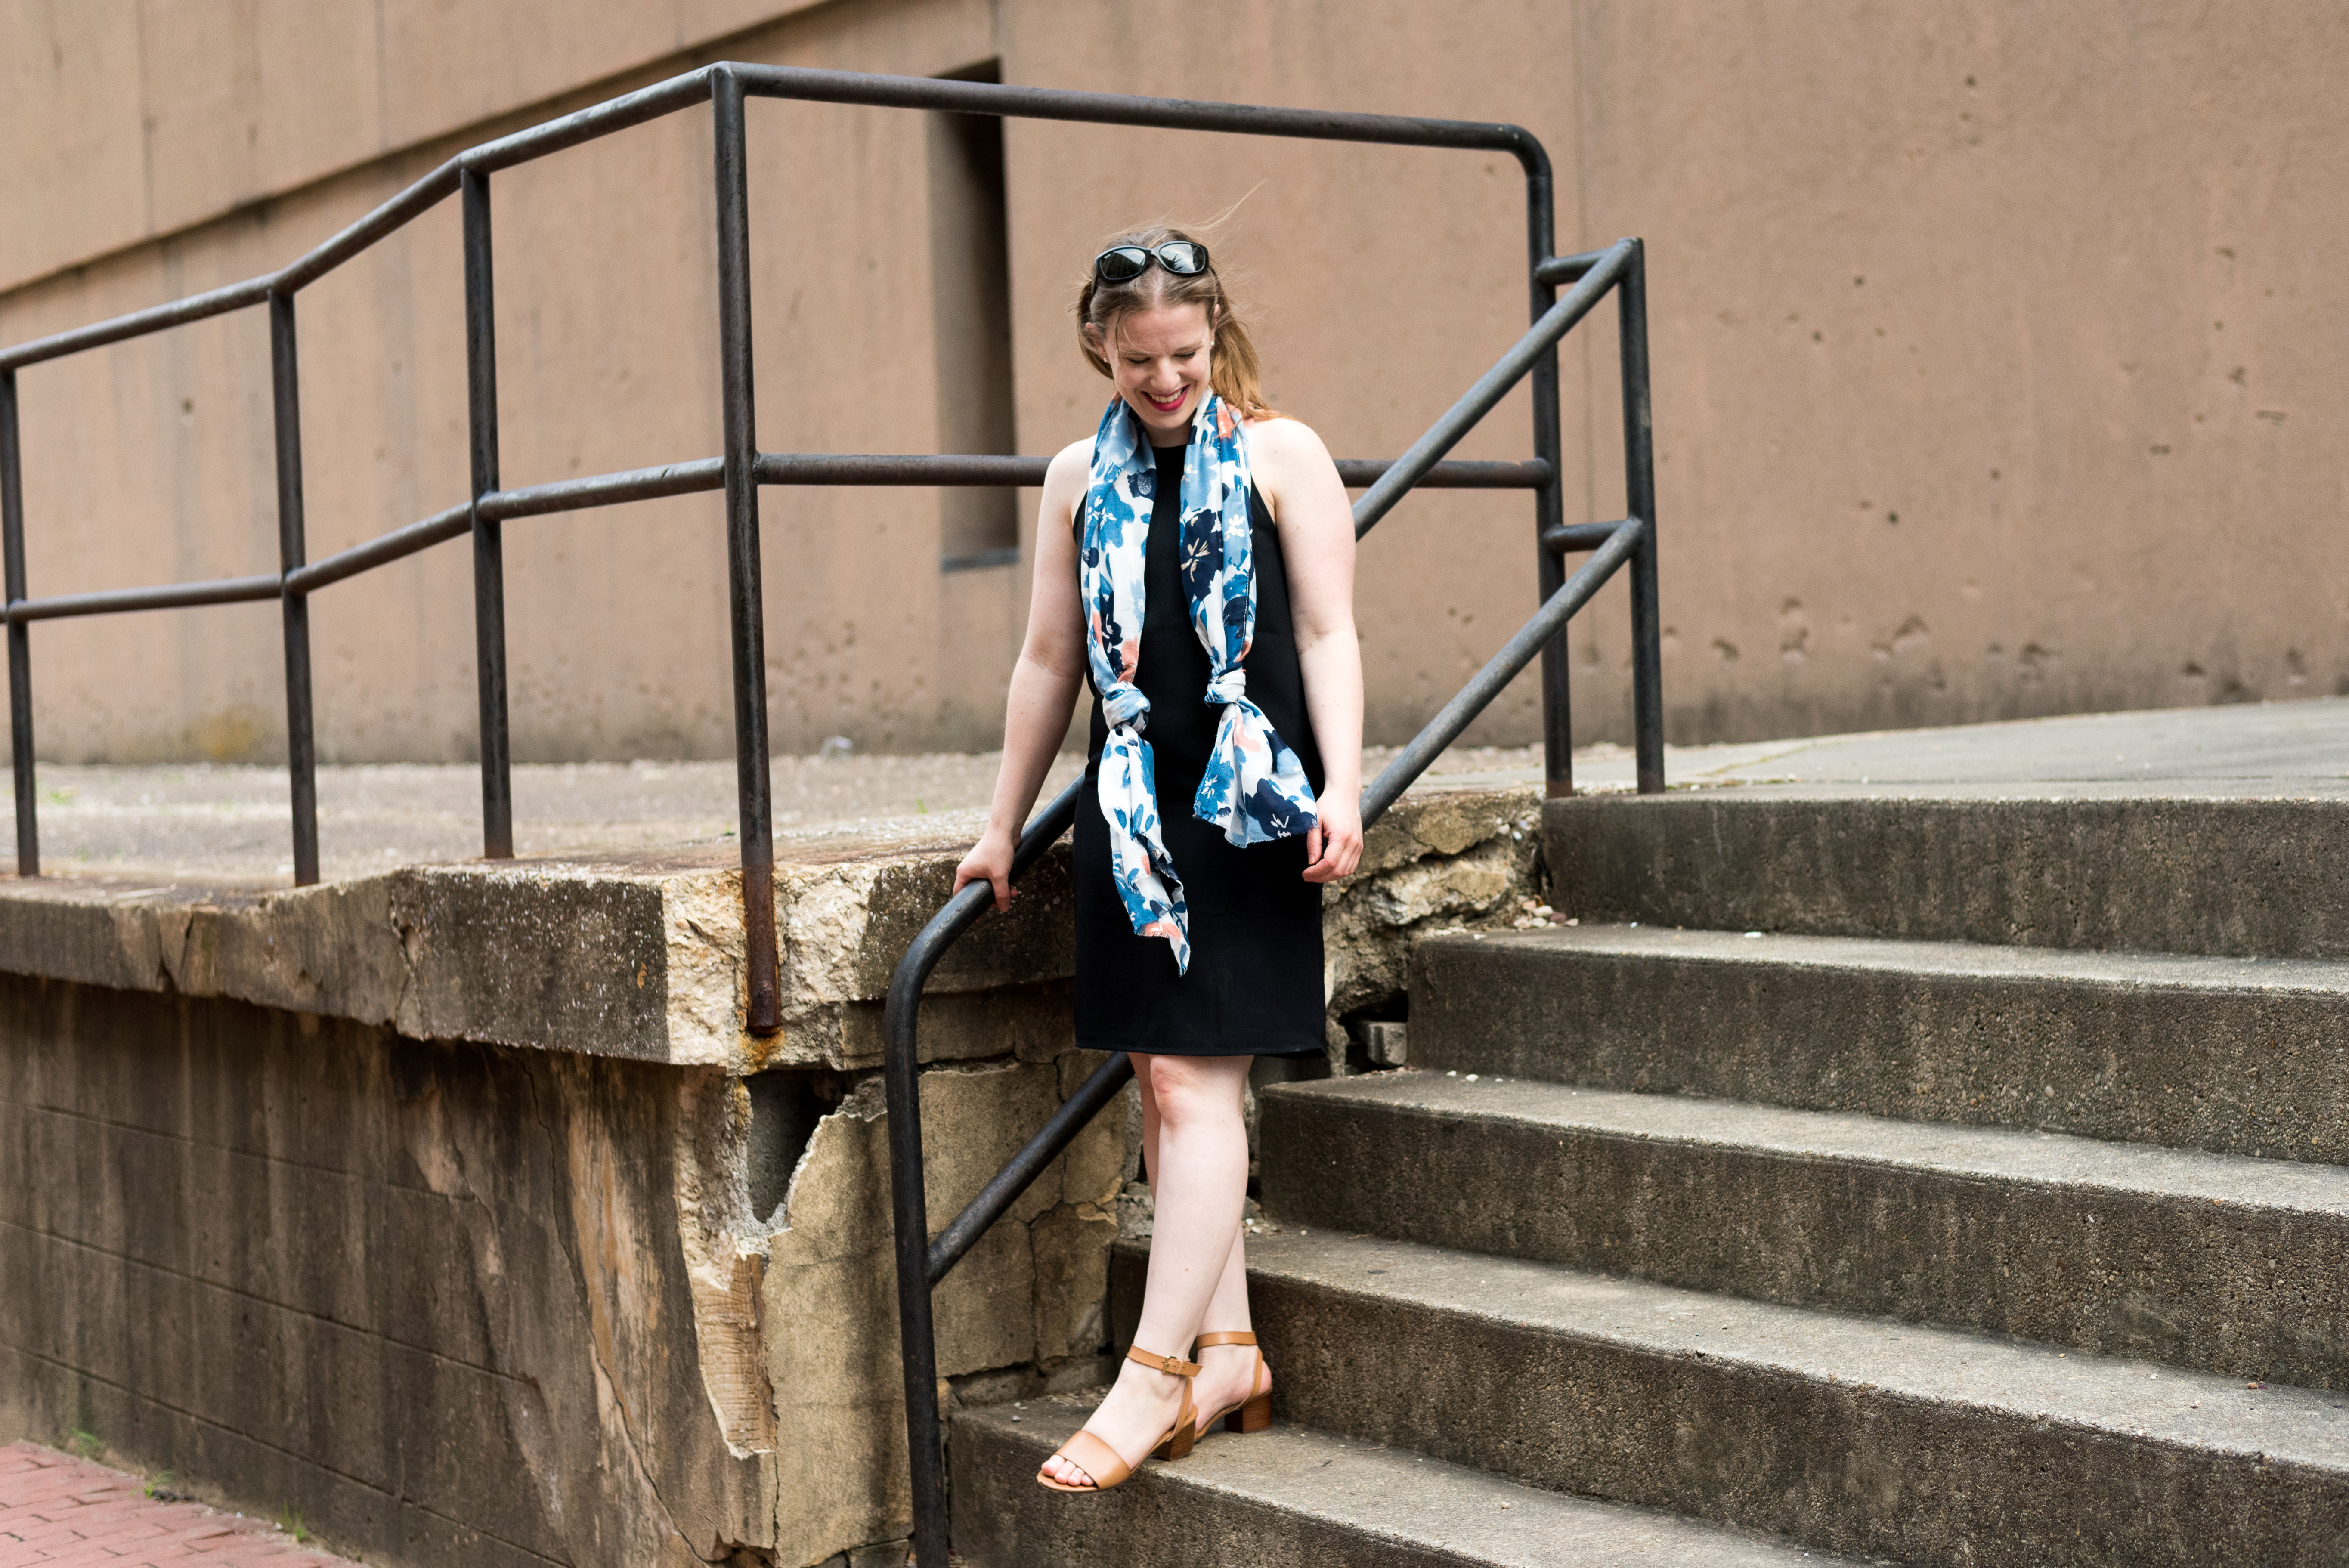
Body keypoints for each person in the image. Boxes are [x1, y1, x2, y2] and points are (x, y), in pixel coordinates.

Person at [951, 226, 1364, 1493]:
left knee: (1192, 1087)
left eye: (1184, 354)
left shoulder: (1283, 455)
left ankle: (1148, 1377)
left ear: (1213, 334)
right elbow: (1047, 661)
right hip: (1132, 806)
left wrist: (1344, 785)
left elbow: (1326, 630)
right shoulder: (1077, 475)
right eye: (1140, 362)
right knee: (1159, 1083)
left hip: (1245, 809)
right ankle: (1231, 1351)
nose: (1167, 380)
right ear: (1100, 348)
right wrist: (1001, 819)